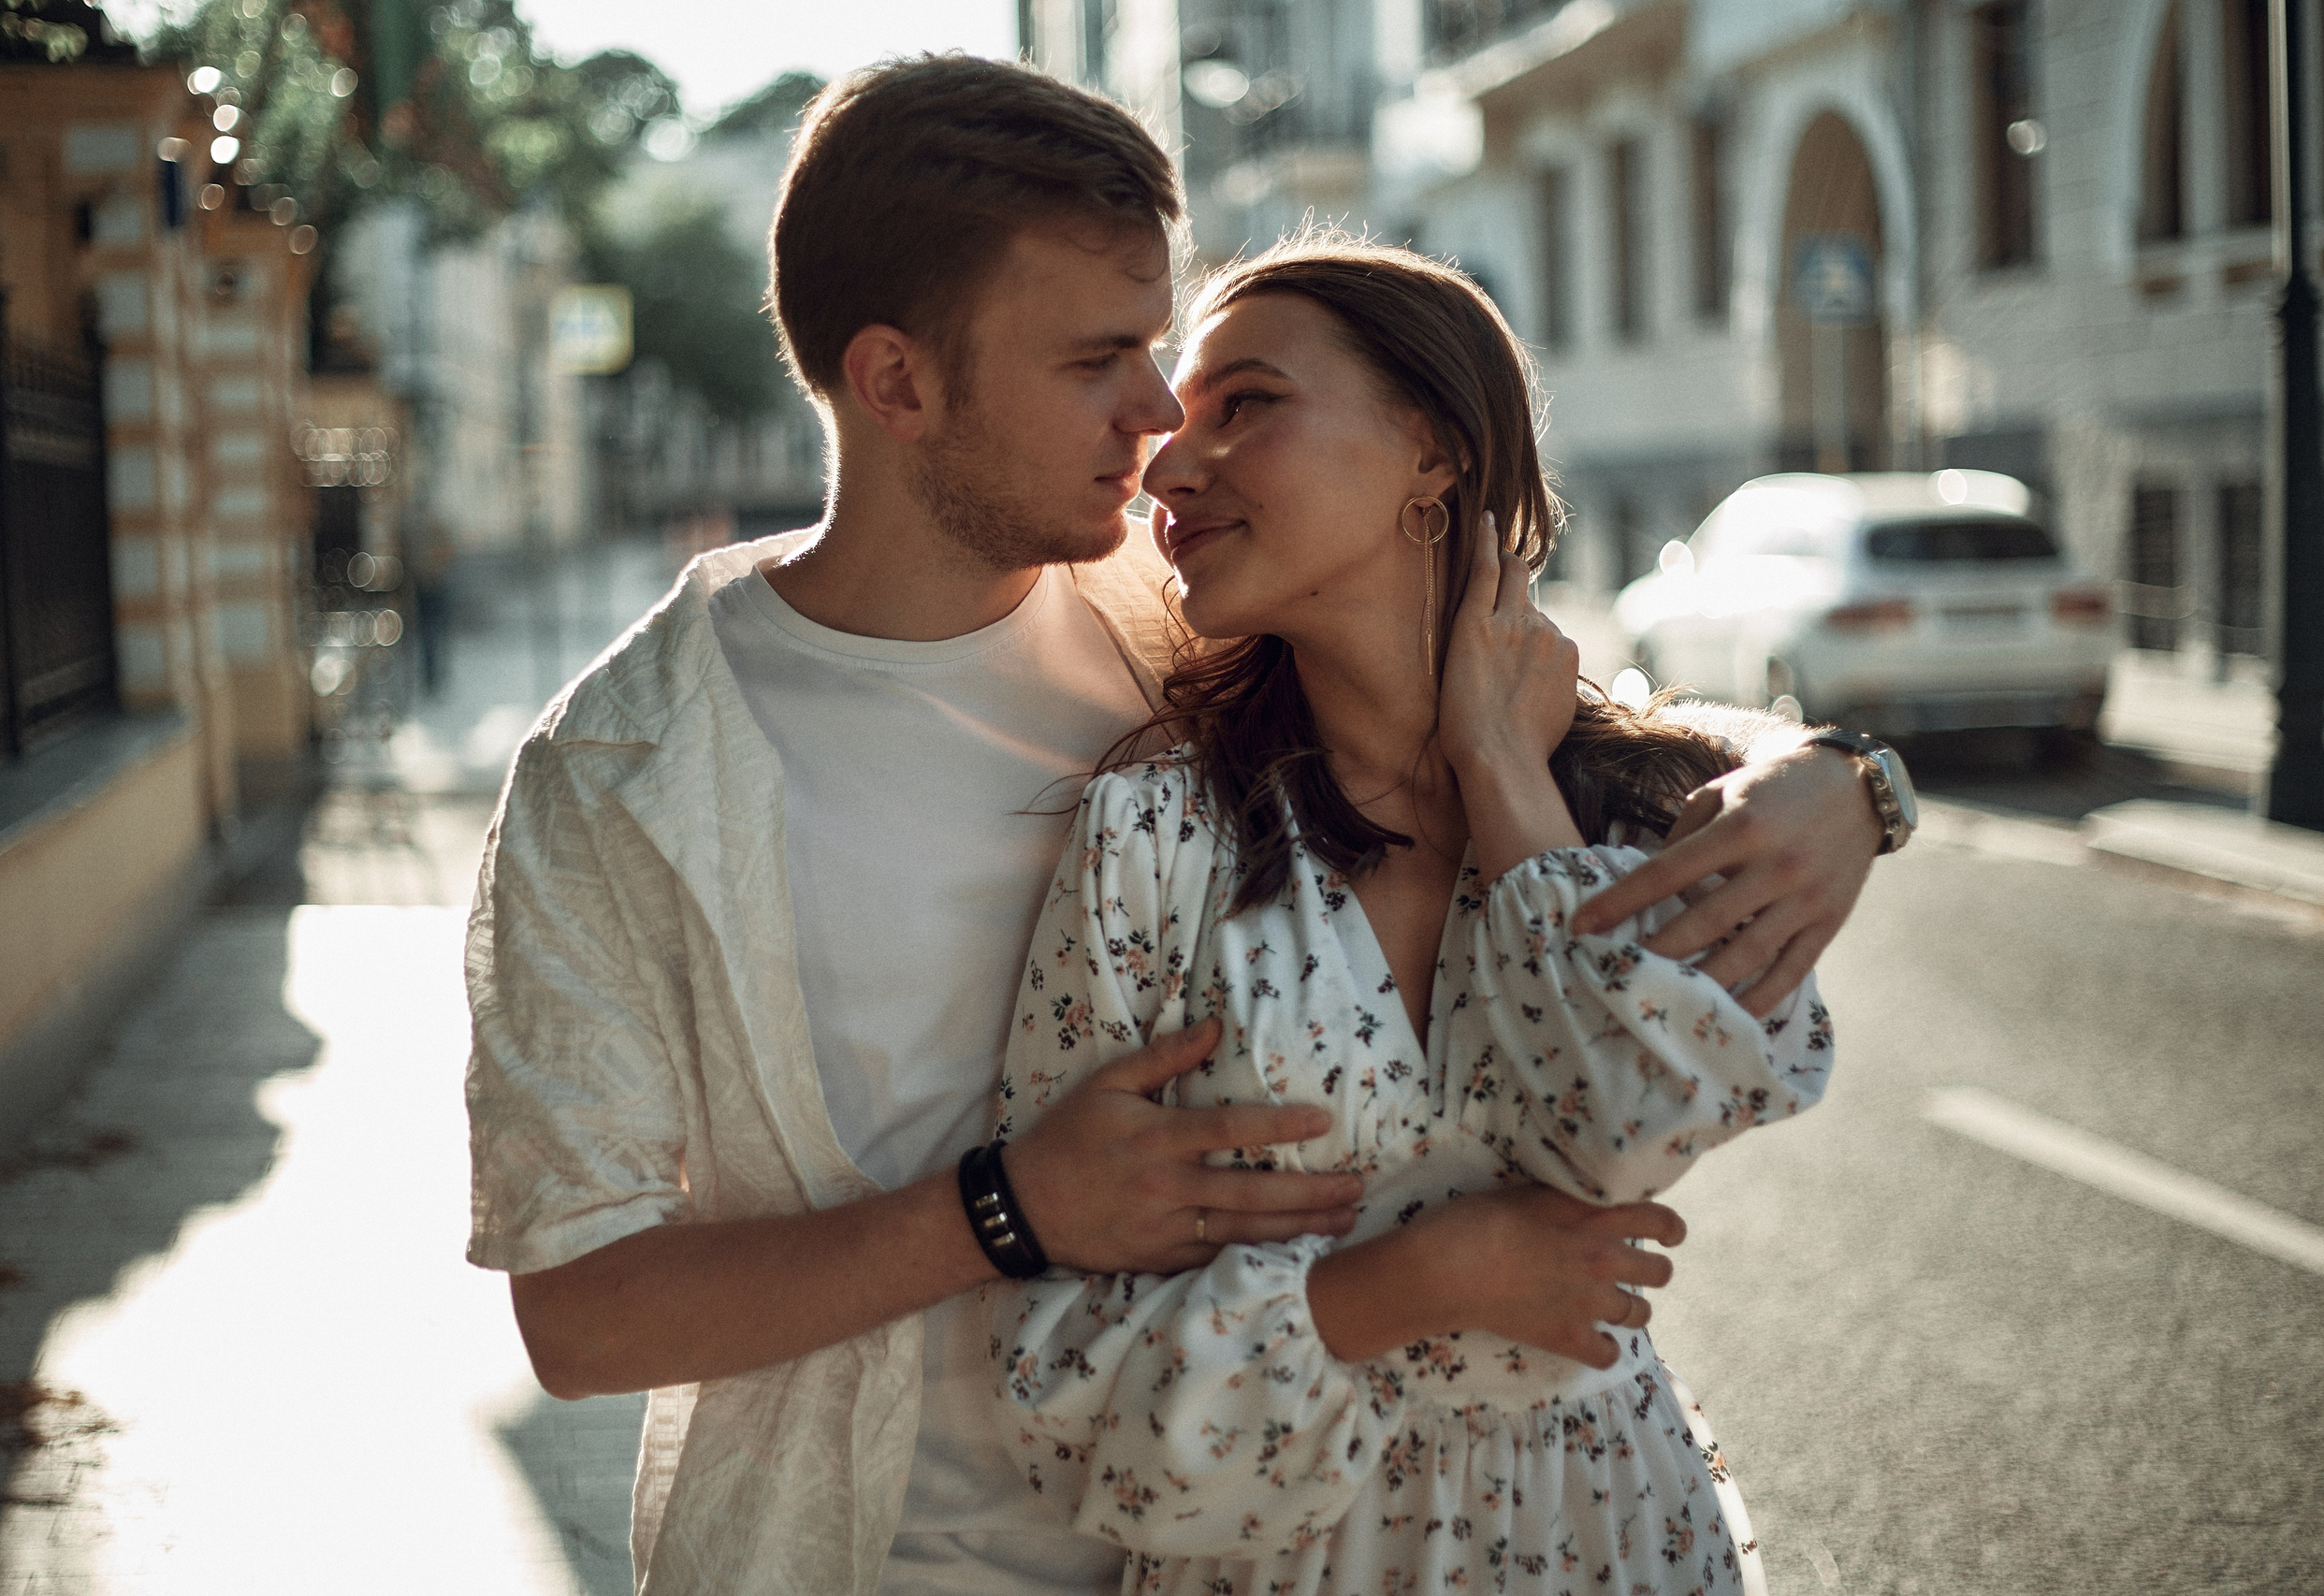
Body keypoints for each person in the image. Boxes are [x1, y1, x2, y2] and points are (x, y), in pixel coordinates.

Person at [463, 56, 1888, 1596]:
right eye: (1101, 361)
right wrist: (1005, 1211)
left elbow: (1517, 696)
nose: (1158, 420)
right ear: (897, 384)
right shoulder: (623, 775)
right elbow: (582, 1314)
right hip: (882, 1558)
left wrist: (1845, 778)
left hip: (1249, 1547)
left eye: (1170, 353)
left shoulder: (1183, 614)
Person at [980, 240, 1860, 1595]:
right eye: (1180, 418)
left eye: (1246, 403)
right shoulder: (1154, 836)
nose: (1167, 466)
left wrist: (1502, 774)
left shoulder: (1648, 809)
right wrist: (1408, 1283)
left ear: (1434, 452)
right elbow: (1056, 1379)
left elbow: (1620, 1129)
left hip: (1609, 1538)